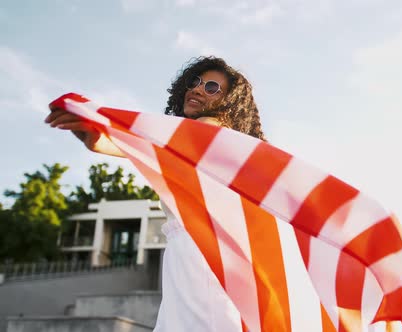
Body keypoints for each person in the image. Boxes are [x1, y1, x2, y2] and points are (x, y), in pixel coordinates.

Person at [45, 56, 265, 331]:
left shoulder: (212, 126)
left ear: (229, 104)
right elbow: (138, 148)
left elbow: (142, 143)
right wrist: (95, 134)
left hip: (202, 256)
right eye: (194, 82)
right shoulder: (187, 143)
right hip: (190, 255)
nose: (197, 89)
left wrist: (103, 128)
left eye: (211, 88)